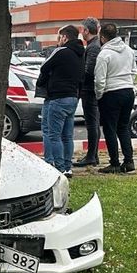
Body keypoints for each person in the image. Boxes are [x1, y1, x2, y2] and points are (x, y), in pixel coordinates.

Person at [37, 25, 84, 178]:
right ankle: (67, 166)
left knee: (54, 135)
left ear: (64, 37)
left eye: (60, 37)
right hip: (72, 97)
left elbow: (44, 67)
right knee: (67, 136)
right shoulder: (80, 53)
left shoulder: (61, 51)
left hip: (57, 97)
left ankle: (59, 167)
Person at [94, 23, 137, 174]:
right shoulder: (129, 50)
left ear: (103, 37)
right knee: (123, 127)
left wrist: (99, 95)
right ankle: (129, 160)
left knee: (110, 129)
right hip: (128, 91)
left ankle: (114, 163)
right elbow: (134, 71)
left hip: (111, 93)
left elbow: (99, 80)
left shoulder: (104, 54)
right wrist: (129, 84)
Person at [74, 17, 102, 167]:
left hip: (89, 90)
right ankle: (93, 155)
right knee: (93, 123)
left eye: (82, 29)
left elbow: (89, 70)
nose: (81, 32)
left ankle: (92, 155)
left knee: (92, 123)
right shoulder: (93, 45)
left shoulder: (93, 47)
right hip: (90, 90)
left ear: (86, 31)